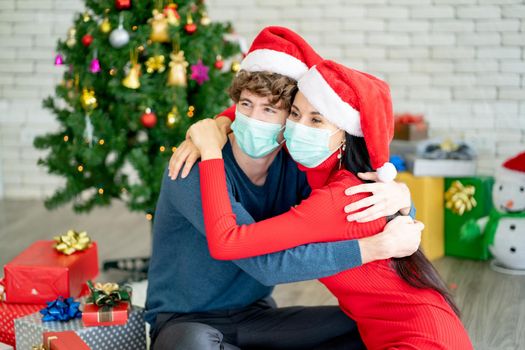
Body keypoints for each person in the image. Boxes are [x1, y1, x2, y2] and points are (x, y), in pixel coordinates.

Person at [146, 27, 422, 350]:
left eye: (269, 110)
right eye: (246, 105)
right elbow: (263, 264)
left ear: (291, 119)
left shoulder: (296, 168)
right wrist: (372, 248)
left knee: (360, 327)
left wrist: (403, 201)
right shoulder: (192, 166)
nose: (252, 119)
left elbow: (356, 203)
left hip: (257, 318)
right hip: (186, 323)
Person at [188, 60, 473, 349]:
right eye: (295, 114)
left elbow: (227, 242)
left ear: (345, 134)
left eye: (317, 120)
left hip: (419, 338)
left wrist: (211, 152)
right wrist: (221, 122)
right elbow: (264, 104)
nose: (299, 128)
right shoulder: (322, 175)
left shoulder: (338, 198)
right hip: (401, 331)